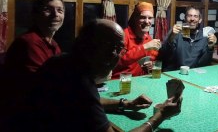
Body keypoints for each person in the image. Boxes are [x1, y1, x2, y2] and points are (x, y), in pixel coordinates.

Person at [11, 19, 181, 132]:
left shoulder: (64, 62)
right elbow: (86, 96)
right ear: (87, 44)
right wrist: (159, 116)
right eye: (109, 47)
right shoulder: (78, 80)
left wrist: (125, 103)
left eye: (119, 49)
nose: (115, 55)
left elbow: (90, 99)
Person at [0, 0, 65, 127]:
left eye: (60, 10)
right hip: (26, 118)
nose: (56, 15)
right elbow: (46, 86)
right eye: (48, 10)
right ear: (35, 15)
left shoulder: (53, 45)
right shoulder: (28, 42)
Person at [158, 6, 217, 71]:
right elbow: (163, 55)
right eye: (189, 16)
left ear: (200, 20)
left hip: (193, 74)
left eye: (196, 16)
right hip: (174, 73)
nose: (192, 19)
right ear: (185, 18)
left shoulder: (204, 37)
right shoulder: (176, 33)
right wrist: (171, 38)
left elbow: (205, 63)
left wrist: (210, 47)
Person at [112, 2, 161, 79]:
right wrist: (144, 47)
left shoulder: (149, 39)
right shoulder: (123, 35)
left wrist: (151, 65)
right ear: (135, 18)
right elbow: (117, 62)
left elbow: (152, 59)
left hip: (139, 81)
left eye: (150, 18)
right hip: (120, 81)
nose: (147, 21)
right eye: (143, 17)